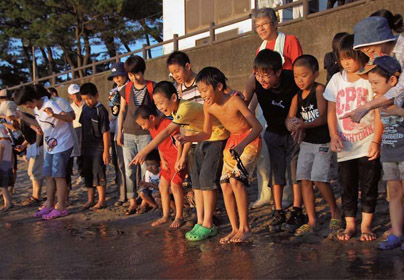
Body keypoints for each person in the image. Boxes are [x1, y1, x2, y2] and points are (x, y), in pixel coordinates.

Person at [131, 81, 229, 241]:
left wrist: (144, 151)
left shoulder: (183, 108)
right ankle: (201, 221)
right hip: (202, 138)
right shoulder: (177, 112)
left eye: (161, 102)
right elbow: (191, 125)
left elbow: (167, 132)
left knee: (206, 181)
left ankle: (208, 224)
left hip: (216, 136)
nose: (160, 107)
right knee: (197, 183)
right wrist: (187, 139)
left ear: (174, 97)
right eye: (156, 104)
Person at [175, 67, 262, 243]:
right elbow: (206, 133)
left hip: (249, 140)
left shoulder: (235, 101)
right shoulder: (208, 106)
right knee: (224, 185)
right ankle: (234, 229)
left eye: (205, 90)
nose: (203, 95)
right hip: (232, 143)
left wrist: (242, 145)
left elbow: (257, 127)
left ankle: (245, 228)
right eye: (200, 91)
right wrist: (187, 138)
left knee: (236, 181)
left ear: (219, 87)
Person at [323, 34, 382, 241]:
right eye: (342, 58)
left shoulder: (370, 78)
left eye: (350, 57)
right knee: (347, 185)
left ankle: (366, 225)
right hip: (344, 144)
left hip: (367, 142)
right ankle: (350, 225)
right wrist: (332, 135)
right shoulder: (337, 80)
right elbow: (331, 111)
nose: (346, 62)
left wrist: (376, 140)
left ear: (360, 56)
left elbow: (378, 111)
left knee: (368, 185)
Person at [244, 49, 304, 233]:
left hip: (292, 133)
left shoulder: (290, 79)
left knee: (295, 172)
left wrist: (300, 123)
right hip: (273, 132)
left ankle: (297, 210)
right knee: (275, 173)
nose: (262, 80)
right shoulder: (255, 81)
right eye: (258, 74)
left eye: (266, 75)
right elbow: (245, 100)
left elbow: (305, 95)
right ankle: (277, 210)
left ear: (278, 72)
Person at [248, 7, 303, 209]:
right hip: (266, 102)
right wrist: (251, 107)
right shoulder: (261, 48)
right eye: (257, 26)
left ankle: (288, 193)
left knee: (288, 151)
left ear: (275, 22)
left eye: (264, 24)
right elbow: (256, 80)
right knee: (265, 149)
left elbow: (299, 71)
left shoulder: (289, 41)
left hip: (288, 100)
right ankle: (265, 193)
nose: (261, 29)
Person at [286, 55, 342, 236]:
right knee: (304, 180)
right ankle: (312, 219)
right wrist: (291, 124)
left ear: (315, 73)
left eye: (304, 75)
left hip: (323, 142)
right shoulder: (296, 97)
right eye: (296, 77)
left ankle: (334, 211)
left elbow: (323, 118)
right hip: (307, 144)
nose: (299, 80)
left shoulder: (319, 90)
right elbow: (289, 118)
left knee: (319, 178)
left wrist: (302, 125)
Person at [359, 56, 404, 249]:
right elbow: (380, 123)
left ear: (392, 81)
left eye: (376, 83)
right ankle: (397, 233)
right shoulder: (377, 102)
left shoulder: (400, 97)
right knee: (393, 193)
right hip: (389, 152)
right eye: (371, 83)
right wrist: (376, 142)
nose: (373, 87)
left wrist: (398, 111)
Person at [14, 85, 75, 220]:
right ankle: (49, 204)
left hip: (62, 144)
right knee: (48, 175)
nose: (26, 106)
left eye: (26, 103)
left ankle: (61, 207)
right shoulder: (37, 108)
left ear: (33, 98)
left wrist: (54, 115)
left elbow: (70, 118)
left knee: (59, 176)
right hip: (50, 147)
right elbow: (38, 124)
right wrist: (23, 116)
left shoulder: (51, 104)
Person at [340, 15, 404, 123]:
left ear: (383, 37)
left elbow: (401, 89)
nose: (365, 49)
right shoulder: (377, 55)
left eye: (368, 43)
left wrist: (366, 107)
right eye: (361, 47)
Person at [135, 105, 187, 227]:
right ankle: (166, 215)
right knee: (162, 185)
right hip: (167, 161)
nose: (143, 128)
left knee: (175, 186)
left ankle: (179, 216)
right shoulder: (152, 129)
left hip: (176, 159)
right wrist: (162, 160)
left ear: (152, 117)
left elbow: (179, 142)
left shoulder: (168, 124)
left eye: (143, 124)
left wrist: (180, 159)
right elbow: (159, 146)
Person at [116, 56, 155, 215]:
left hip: (146, 134)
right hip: (128, 133)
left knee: (147, 169)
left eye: (136, 74)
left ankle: (146, 200)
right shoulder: (125, 89)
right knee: (129, 169)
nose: (134, 77)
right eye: (131, 75)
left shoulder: (152, 87)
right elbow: (122, 111)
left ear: (143, 71)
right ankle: (132, 200)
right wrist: (119, 132)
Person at [79, 83, 110, 209]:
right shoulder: (85, 109)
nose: (87, 101)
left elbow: (105, 132)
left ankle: (102, 199)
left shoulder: (101, 110)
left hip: (98, 146)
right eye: (85, 99)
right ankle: (90, 199)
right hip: (86, 146)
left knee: (98, 172)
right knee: (87, 172)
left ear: (97, 95)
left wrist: (106, 151)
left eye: (89, 98)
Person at [107, 62, 128, 207]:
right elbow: (114, 112)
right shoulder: (113, 91)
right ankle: (122, 194)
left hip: (129, 129)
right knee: (119, 165)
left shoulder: (130, 87)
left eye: (119, 75)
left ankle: (136, 195)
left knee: (131, 165)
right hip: (116, 130)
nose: (117, 79)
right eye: (114, 77)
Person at [15, 112, 44, 207]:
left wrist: (37, 145)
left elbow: (38, 130)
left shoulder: (25, 120)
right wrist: (22, 146)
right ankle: (35, 195)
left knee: (35, 171)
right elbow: (29, 137)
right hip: (34, 147)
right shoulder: (21, 121)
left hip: (39, 147)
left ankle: (36, 196)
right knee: (32, 172)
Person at [67, 84, 85, 185]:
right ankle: (82, 174)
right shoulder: (70, 107)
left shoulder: (86, 103)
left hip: (86, 128)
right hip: (75, 129)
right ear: (70, 96)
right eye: (73, 94)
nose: (76, 96)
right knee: (79, 153)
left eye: (77, 93)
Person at [137, 150, 161, 214]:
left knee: (157, 197)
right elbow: (148, 186)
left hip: (159, 192)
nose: (150, 167)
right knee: (142, 193)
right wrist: (144, 185)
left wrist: (149, 184)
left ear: (158, 164)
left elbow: (161, 188)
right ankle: (154, 206)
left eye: (152, 164)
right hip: (151, 191)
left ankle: (160, 208)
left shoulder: (161, 173)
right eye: (147, 165)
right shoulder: (148, 173)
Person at [0, 124, 13, 211]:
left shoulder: (1, 143)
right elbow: (12, 156)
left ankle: (8, 203)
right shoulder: (9, 142)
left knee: (2, 186)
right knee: (5, 185)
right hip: (8, 164)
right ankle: (8, 202)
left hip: (2, 165)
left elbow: (0, 156)